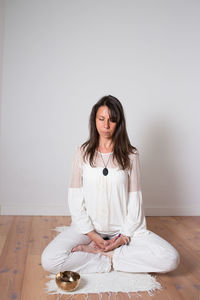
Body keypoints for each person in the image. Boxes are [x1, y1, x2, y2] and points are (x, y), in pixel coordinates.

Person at [41, 95, 180, 275]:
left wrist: (123, 238)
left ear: (119, 123)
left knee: (170, 258)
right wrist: (92, 235)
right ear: (94, 120)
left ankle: (109, 256)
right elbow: (75, 199)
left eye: (112, 120)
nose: (106, 125)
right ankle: (108, 260)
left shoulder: (131, 155)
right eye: (101, 119)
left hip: (124, 230)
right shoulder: (81, 153)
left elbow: (134, 200)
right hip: (88, 230)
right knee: (49, 260)